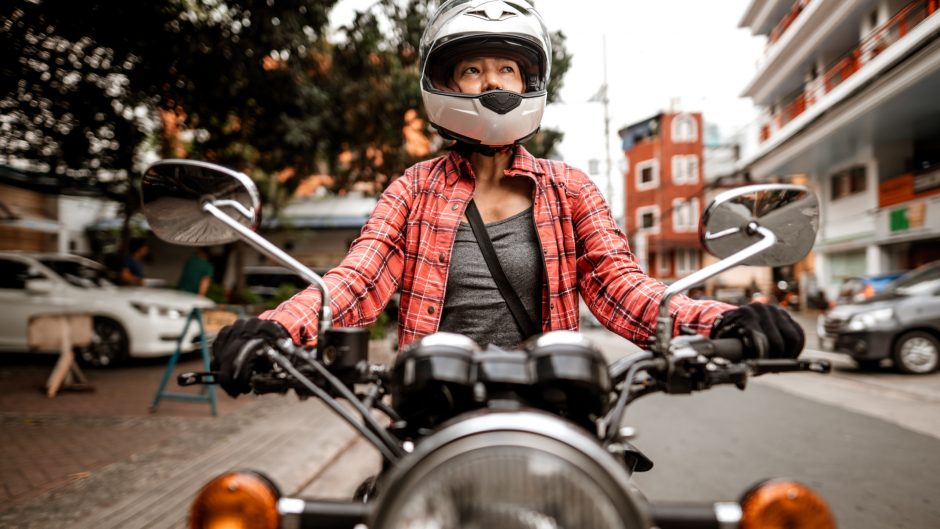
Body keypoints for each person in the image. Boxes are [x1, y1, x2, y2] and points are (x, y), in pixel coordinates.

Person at [212, 0, 804, 397]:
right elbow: (358, 280)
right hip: (430, 403)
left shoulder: (569, 188)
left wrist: (721, 318)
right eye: (471, 69)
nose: (492, 83)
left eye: (506, 69)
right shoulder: (413, 189)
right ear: (444, 84)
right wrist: (276, 328)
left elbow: (622, 289)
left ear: (529, 84)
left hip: (553, 399)